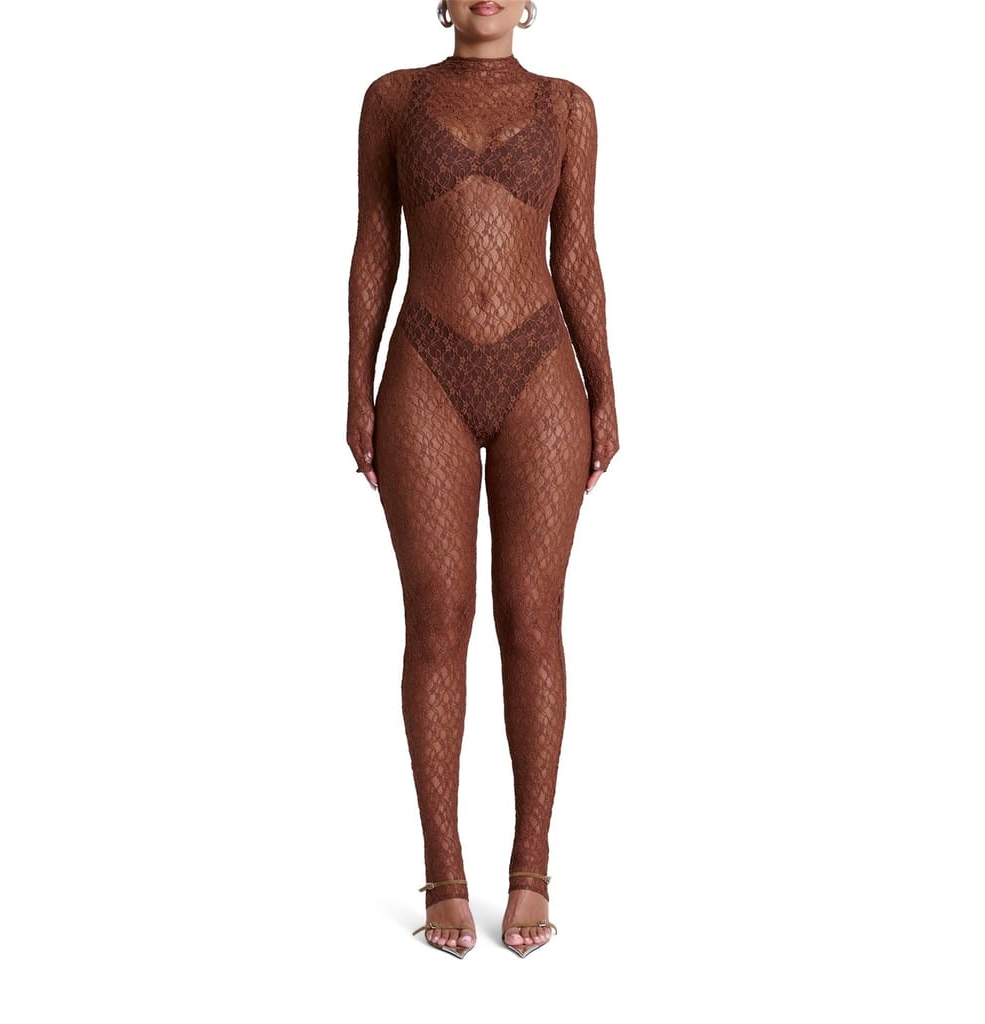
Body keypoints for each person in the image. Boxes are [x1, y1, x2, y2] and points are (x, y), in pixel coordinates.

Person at [346, 0, 620, 958]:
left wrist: (606, 390)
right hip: (424, 368)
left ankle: (531, 868)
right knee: (438, 617)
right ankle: (444, 872)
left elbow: (576, 255)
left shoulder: (570, 107)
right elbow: (374, 246)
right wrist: (355, 388)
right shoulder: (393, 99)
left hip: (542, 372)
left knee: (533, 619)